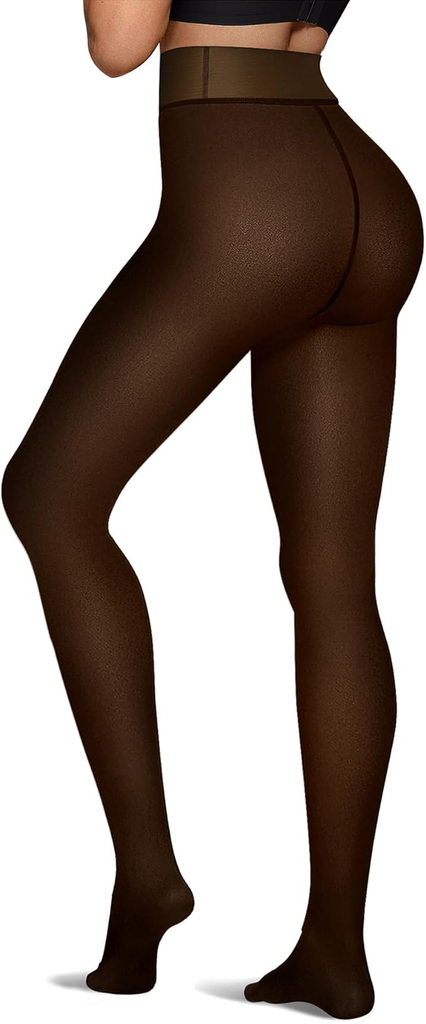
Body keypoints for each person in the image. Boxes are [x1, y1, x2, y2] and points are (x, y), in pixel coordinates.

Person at [1, 0, 423, 1015]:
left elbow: (118, 46)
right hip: (361, 188)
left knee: (50, 497)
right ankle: (336, 950)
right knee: (334, 579)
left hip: (250, 192)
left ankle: (148, 872)